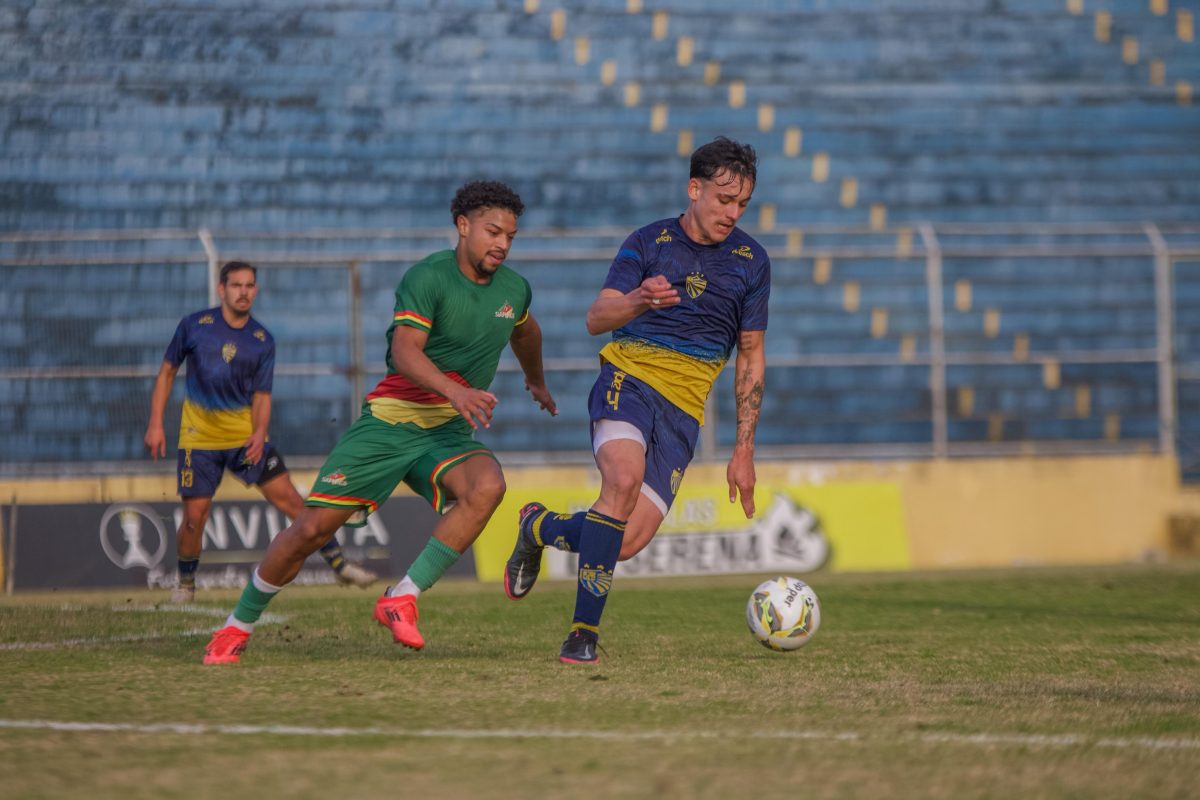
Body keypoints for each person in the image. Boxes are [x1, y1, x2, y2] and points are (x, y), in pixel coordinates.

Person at [202, 180, 557, 665]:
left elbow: (526, 331)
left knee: (488, 485)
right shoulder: (426, 278)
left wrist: (536, 382)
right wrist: (455, 390)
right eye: (493, 231)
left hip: (446, 433)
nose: (502, 243)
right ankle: (236, 626)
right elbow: (403, 352)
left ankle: (401, 597)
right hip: (390, 423)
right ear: (463, 225)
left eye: (510, 236)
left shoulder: (514, 289)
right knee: (310, 532)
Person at [503, 137, 769, 664]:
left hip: (685, 411)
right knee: (620, 482)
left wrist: (744, 449)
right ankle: (583, 634)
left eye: (742, 204)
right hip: (629, 379)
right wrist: (638, 298)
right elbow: (595, 318)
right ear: (694, 190)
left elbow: (752, 357)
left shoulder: (752, 261)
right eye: (723, 199)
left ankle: (537, 526)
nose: (732, 213)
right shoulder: (649, 242)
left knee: (624, 541)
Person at [145, 261, 377, 604]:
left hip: (246, 439)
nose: (244, 292)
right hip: (200, 440)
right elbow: (166, 373)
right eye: (237, 285)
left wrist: (259, 432)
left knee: (294, 503)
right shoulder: (194, 326)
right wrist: (155, 423)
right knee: (194, 518)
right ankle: (186, 584)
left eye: (250, 285)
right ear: (221, 289)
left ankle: (340, 565)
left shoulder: (261, 340)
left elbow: (262, 396)